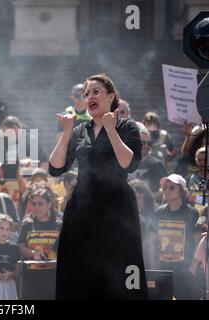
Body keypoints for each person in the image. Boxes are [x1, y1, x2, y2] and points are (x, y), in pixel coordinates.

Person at [49, 73, 148, 299]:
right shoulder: (80, 130)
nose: (89, 96)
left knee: (120, 268)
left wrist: (111, 129)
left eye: (96, 91)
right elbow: (56, 168)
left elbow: (129, 164)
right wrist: (65, 133)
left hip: (116, 207)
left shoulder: (127, 126)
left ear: (111, 96)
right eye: (86, 93)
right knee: (78, 269)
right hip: (82, 207)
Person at [150, 174, 202, 299]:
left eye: (171, 187)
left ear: (182, 191)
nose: (167, 190)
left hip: (185, 272)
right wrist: (153, 268)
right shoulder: (159, 212)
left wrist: (192, 268)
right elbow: (151, 242)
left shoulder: (192, 213)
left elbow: (199, 242)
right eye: (165, 187)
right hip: (163, 272)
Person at [18, 187, 61, 300]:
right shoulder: (27, 224)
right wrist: (33, 253)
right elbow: (20, 247)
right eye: (34, 204)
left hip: (53, 278)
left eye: (40, 204)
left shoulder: (59, 225)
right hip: (31, 279)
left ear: (49, 204)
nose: (36, 207)